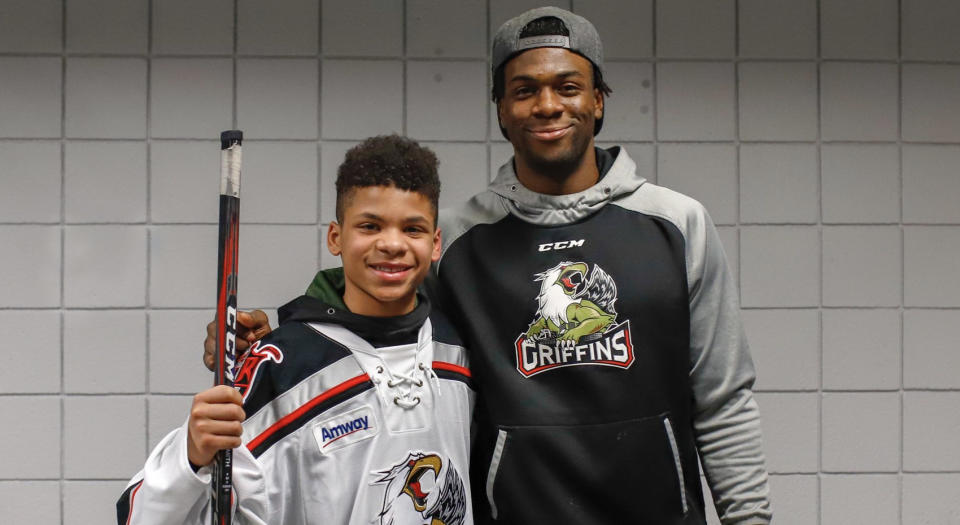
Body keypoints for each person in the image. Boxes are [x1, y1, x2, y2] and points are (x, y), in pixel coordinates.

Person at [206, 7, 772, 524]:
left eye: (568, 87)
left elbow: (724, 399)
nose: (547, 105)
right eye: (524, 90)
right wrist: (275, 329)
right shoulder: (456, 237)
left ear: (598, 100)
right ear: (501, 109)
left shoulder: (676, 224)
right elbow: (366, 303)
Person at [119, 135, 475, 524]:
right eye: (370, 226)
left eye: (413, 229)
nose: (392, 244)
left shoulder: (457, 345)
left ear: (436, 242)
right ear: (336, 237)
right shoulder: (285, 365)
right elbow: (143, 516)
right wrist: (190, 454)